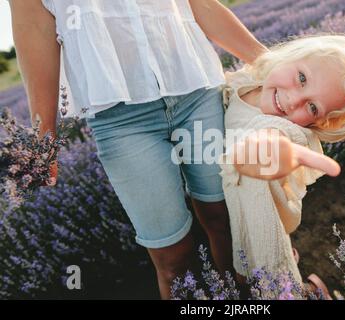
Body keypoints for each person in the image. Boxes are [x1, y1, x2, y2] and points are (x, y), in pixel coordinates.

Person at [8, 0, 270, 299]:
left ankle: (247, 299)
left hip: (196, 88)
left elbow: (200, 4)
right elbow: (34, 28)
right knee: (173, 261)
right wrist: (44, 139)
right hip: (121, 121)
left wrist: (272, 65)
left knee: (229, 222)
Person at [219, 34, 345, 298]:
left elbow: (271, 136)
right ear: (292, 56)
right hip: (240, 208)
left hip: (260, 218)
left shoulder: (286, 129)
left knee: (271, 275)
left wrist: (268, 147)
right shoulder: (249, 83)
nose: (294, 101)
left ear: (319, 123)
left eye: (313, 107)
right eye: (302, 78)